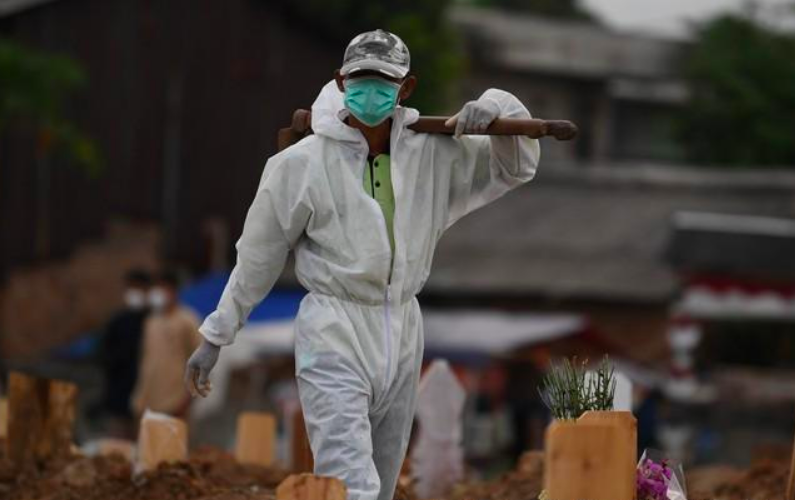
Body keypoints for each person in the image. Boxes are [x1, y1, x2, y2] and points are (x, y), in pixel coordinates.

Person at [185, 29, 541, 500]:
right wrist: (216, 335)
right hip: (333, 327)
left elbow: (512, 167)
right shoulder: (302, 164)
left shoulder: (431, 153)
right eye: (360, 80)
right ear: (341, 80)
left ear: (405, 87)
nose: (370, 92)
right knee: (350, 480)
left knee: (384, 478)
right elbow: (258, 256)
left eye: (383, 82)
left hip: (402, 325)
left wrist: (498, 106)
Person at [132, 270, 201, 419]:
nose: (159, 293)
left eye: (163, 288)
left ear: (174, 291)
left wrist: (188, 399)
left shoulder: (187, 320)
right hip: (150, 401)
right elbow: (146, 360)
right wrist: (140, 398)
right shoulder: (151, 321)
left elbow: (199, 360)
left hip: (176, 401)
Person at [99, 268, 151, 436]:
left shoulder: (155, 322)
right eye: (131, 288)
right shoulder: (117, 322)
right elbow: (102, 355)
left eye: (139, 288)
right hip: (118, 400)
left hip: (149, 404)